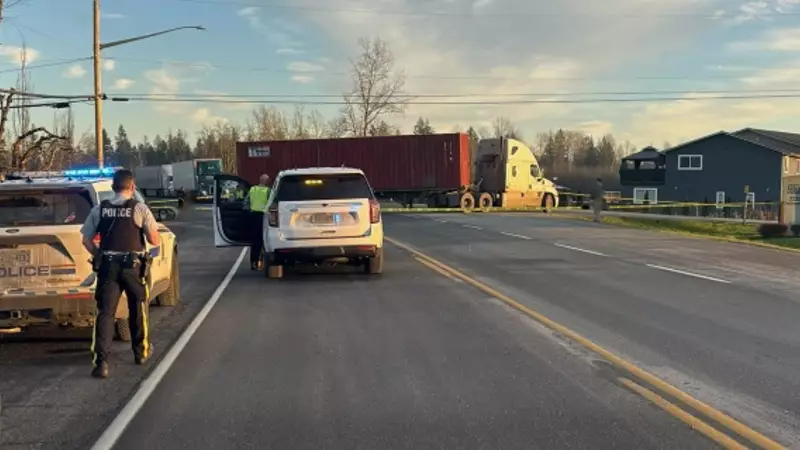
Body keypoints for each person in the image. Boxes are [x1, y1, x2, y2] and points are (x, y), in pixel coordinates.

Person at [80, 169, 161, 379]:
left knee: (105, 313)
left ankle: (101, 363)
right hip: (132, 267)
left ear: (112, 188)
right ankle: (140, 352)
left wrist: (98, 254)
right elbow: (155, 240)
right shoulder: (139, 208)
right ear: (132, 187)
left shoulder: (100, 209)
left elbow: (85, 240)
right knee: (137, 308)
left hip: (108, 266)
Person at [243, 174, 271, 270]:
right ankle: (264, 262)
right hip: (264, 217)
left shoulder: (253, 189)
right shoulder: (268, 191)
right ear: (267, 181)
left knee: (255, 241)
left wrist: (249, 211)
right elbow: (272, 203)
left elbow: (245, 202)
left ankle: (253, 263)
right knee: (265, 240)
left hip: (254, 217)